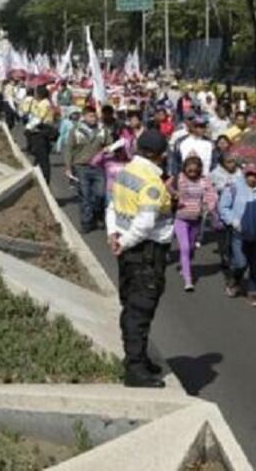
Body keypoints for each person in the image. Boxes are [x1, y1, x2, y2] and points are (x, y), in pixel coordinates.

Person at [105, 130, 174, 388]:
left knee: (132, 305)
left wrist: (114, 234)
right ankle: (135, 369)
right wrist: (123, 243)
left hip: (128, 248)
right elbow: (145, 224)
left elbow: (112, 206)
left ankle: (140, 358)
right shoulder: (151, 182)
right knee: (140, 311)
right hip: (145, 251)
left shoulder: (126, 171)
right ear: (160, 155)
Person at [218, 163, 256, 307]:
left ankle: (253, 293)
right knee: (241, 262)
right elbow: (223, 207)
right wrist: (233, 221)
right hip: (239, 233)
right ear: (244, 174)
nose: (252, 178)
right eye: (249, 175)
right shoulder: (234, 187)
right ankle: (234, 280)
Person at [171, 155, 217, 292]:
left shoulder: (204, 180)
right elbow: (166, 186)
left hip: (196, 219)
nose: (192, 174)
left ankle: (185, 265)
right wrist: (174, 194)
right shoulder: (179, 177)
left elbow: (211, 195)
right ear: (184, 169)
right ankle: (188, 280)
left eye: (195, 171)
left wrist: (209, 205)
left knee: (191, 248)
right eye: (189, 171)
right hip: (180, 218)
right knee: (184, 247)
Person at [64, 106, 109, 233]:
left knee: (100, 194)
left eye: (94, 116)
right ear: (84, 117)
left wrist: (108, 149)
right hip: (81, 167)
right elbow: (68, 149)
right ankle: (86, 222)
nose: (93, 119)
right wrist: (68, 167)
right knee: (85, 195)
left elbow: (109, 144)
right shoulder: (76, 130)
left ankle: (96, 214)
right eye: (90, 116)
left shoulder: (102, 130)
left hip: (98, 167)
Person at [25, 85, 57, 182]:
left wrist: (28, 128)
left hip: (42, 131)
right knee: (39, 156)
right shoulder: (42, 103)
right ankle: (37, 176)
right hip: (41, 130)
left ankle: (45, 179)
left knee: (43, 158)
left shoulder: (44, 104)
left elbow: (39, 118)